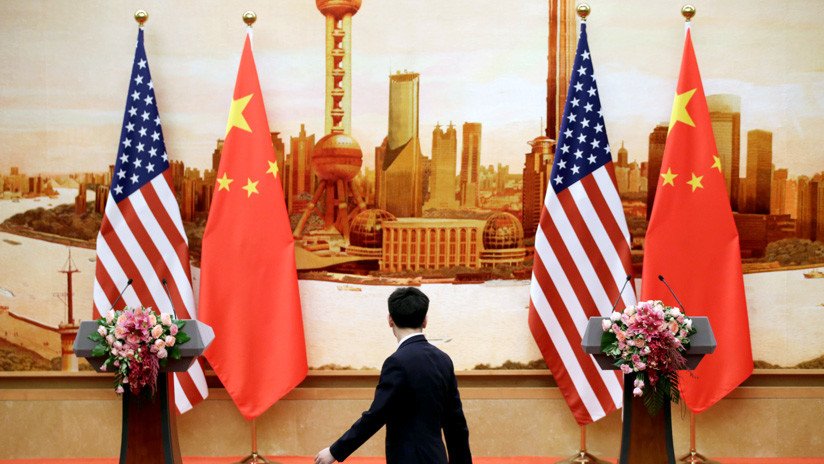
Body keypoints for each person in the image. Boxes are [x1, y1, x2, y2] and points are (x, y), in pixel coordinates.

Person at [315, 287, 472, 464]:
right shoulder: (443, 360)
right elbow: (456, 424)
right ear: (425, 320)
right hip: (436, 458)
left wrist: (335, 451)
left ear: (390, 320)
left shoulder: (396, 362)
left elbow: (376, 415)